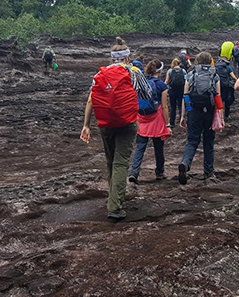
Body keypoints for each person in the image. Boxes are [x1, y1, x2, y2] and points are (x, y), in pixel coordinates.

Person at [80, 37, 153, 220]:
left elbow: (91, 99)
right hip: (127, 123)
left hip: (105, 123)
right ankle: (115, 207)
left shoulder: (100, 75)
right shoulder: (134, 72)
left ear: (112, 58)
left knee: (111, 162)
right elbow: (147, 94)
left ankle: (114, 199)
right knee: (121, 163)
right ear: (127, 57)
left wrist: (86, 126)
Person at [179, 52, 222, 185]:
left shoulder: (190, 75)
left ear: (197, 61)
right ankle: (209, 173)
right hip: (209, 112)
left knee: (192, 141)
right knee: (208, 142)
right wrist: (220, 117)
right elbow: (218, 97)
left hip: (194, 112)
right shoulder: (215, 75)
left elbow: (185, 96)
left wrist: (183, 115)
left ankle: (185, 164)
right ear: (210, 61)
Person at [128, 60, 171, 183]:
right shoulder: (162, 85)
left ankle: (134, 172)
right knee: (158, 147)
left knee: (140, 146)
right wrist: (167, 124)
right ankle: (160, 172)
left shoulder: (142, 82)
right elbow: (164, 107)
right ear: (160, 71)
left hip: (141, 118)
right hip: (156, 118)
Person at [165, 58, 187, 128]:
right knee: (180, 106)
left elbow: (166, 81)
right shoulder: (183, 71)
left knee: (173, 107)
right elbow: (186, 80)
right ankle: (181, 121)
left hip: (172, 90)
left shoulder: (170, 71)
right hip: (181, 90)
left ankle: (172, 123)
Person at [215, 56, 238, 120]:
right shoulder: (228, 68)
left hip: (217, 86)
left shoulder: (214, 67)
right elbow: (233, 77)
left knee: (218, 100)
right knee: (227, 100)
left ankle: (218, 116)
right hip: (226, 86)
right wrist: (237, 82)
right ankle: (226, 115)